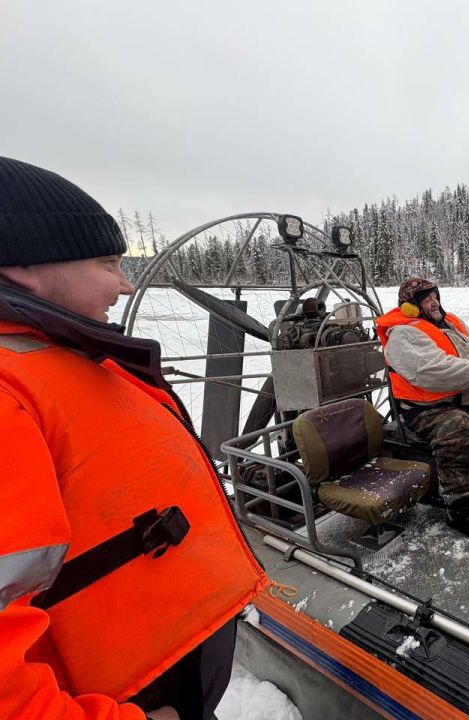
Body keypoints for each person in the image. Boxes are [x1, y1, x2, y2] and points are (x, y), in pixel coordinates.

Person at [0, 156, 267, 720]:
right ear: (23, 264)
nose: (124, 285)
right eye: (107, 263)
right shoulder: (10, 392)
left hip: (166, 672)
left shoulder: (59, 354)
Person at [375, 278, 469, 540]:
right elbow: (435, 370)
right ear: (410, 306)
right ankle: (461, 509)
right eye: (426, 298)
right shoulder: (402, 335)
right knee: (457, 426)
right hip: (428, 411)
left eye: (435, 296)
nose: (434, 302)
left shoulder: (448, 322)